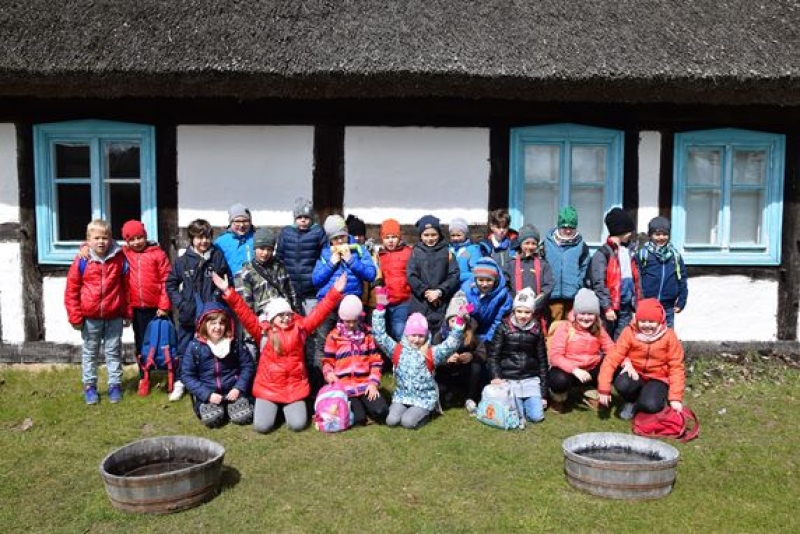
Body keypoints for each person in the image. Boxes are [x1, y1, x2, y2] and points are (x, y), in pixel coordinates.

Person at [214, 271, 347, 433]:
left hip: (294, 389)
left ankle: (283, 411)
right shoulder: (263, 332)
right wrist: (228, 291)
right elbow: (243, 312)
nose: (286, 318)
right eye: (280, 315)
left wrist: (335, 292)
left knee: (297, 425)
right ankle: (275, 410)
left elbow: (319, 312)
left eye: (288, 314)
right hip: (268, 388)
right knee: (262, 427)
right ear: (271, 318)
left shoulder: (301, 329)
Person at [77, 219, 172, 396]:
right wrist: (85, 246)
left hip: (158, 308)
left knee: (163, 342)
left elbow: (167, 279)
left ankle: (171, 376)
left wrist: (165, 304)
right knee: (142, 344)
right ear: (127, 241)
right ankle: (144, 377)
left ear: (145, 236)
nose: (136, 242)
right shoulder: (123, 254)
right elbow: (103, 243)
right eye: (132, 239)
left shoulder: (158, 254)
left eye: (139, 238)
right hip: (137, 309)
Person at [372, 288, 467, 429]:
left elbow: (451, 344)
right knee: (391, 421)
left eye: (421, 336)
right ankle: (408, 412)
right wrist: (380, 308)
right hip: (402, 396)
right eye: (413, 335)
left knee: (407, 422)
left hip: (423, 400)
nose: (416, 339)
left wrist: (458, 323)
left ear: (426, 335)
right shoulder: (397, 350)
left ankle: (428, 412)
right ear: (406, 334)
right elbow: (380, 336)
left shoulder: (431, 353)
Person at [64, 219, 130, 405]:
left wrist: (127, 312)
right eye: (96, 238)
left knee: (113, 352)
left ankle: (114, 385)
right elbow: (72, 290)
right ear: (88, 240)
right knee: (90, 353)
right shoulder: (82, 260)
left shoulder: (119, 259)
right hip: (90, 318)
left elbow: (126, 288)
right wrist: (75, 316)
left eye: (105, 237)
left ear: (111, 238)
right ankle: (90, 386)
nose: (101, 241)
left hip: (114, 315)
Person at [166, 219, 232, 401]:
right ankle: (180, 381)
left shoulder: (217, 257)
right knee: (184, 348)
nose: (203, 241)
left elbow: (228, 281)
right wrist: (181, 304)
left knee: (211, 348)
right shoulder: (182, 261)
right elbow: (171, 284)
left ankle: (207, 381)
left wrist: (217, 300)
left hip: (212, 314)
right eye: (199, 237)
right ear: (191, 239)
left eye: (206, 237)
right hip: (189, 314)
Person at [311, 215, 377, 391]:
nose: (339, 242)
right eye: (335, 239)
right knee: (323, 344)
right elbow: (316, 280)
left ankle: (355, 383)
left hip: (351, 306)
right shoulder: (325, 254)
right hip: (328, 305)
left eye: (342, 237)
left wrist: (351, 260)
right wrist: (331, 264)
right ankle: (321, 387)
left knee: (353, 344)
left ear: (347, 234)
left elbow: (371, 274)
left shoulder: (359, 250)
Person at [598, 298, 685, 421]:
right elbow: (611, 358)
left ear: (660, 321)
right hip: (635, 373)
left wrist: (675, 398)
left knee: (650, 405)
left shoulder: (669, 336)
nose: (647, 325)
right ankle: (631, 401)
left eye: (652, 321)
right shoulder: (629, 332)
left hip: (658, 378)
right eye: (643, 321)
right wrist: (604, 388)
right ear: (637, 320)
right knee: (622, 383)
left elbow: (676, 367)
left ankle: (652, 400)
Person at [181, 302, 255, 428]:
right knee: (213, 419)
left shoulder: (234, 343)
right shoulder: (195, 347)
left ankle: (232, 406)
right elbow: (187, 375)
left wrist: (238, 388)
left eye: (221, 323)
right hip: (210, 394)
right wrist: (207, 395)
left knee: (244, 417)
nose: (218, 327)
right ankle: (219, 408)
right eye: (213, 323)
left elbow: (247, 366)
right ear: (204, 324)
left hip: (233, 392)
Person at [322, 295, 388, 425]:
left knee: (382, 412)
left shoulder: (367, 335)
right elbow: (327, 361)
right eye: (348, 321)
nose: (351, 325)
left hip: (365, 384)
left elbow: (376, 361)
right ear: (341, 318)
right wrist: (329, 373)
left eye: (354, 321)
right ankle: (360, 411)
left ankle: (367, 408)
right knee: (358, 418)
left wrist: (373, 383)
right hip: (344, 387)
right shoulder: (333, 337)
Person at [547, 288, 615, 414]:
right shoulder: (565, 327)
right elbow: (555, 356)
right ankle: (558, 398)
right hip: (570, 371)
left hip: (590, 369)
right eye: (582, 313)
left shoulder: (599, 328)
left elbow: (611, 349)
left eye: (590, 314)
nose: (586, 318)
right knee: (558, 380)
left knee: (614, 363)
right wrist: (575, 370)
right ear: (576, 313)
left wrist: (626, 362)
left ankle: (588, 389)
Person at [486, 288, 548, 425]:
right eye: (519, 311)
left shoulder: (537, 329)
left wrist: (543, 394)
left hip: (530, 379)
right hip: (509, 379)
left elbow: (542, 360)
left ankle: (529, 401)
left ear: (533, 312)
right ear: (514, 311)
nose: (523, 315)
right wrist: (496, 376)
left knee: (537, 417)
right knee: (517, 416)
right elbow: (493, 356)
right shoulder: (503, 327)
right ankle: (519, 405)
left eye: (527, 312)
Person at [587, 207, 641, 340]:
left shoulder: (629, 252)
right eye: (628, 230)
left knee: (622, 339)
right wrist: (607, 307)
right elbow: (599, 283)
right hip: (611, 306)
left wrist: (637, 303)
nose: (631, 233)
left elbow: (636, 279)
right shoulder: (603, 254)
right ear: (620, 230)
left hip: (626, 306)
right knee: (606, 339)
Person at [406, 214, 461, 334]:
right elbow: (411, 275)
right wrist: (425, 291)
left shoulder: (447, 252)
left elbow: (454, 275)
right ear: (420, 236)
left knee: (440, 336)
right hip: (421, 304)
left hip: (442, 303)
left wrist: (440, 291)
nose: (430, 238)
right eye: (426, 235)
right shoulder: (416, 252)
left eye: (433, 234)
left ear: (439, 234)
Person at [433, 291, 487, 413]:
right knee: (442, 393)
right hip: (446, 373)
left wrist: (471, 356)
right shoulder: (440, 336)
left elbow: (483, 353)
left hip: (465, 373)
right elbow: (432, 358)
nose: (456, 324)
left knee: (476, 367)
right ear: (447, 321)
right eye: (453, 321)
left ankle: (470, 397)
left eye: (461, 321)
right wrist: (446, 359)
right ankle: (449, 393)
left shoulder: (471, 334)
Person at [276, 197, 327, 316]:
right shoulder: (286, 233)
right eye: (299, 217)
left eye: (306, 217)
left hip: (311, 289)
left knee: (312, 320)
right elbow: (279, 257)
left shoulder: (318, 232)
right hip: (290, 287)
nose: (303, 220)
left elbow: (325, 256)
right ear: (295, 218)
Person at [636, 216, 688, 328]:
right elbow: (636, 278)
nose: (661, 237)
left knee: (667, 335)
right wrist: (637, 300)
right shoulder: (643, 255)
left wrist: (681, 301)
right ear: (650, 235)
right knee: (647, 334)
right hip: (647, 304)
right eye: (657, 234)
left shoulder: (675, 256)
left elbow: (682, 279)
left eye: (665, 234)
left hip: (668, 306)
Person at [238, 227, 300, 318]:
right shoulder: (247, 272)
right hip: (263, 319)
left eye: (269, 249)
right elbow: (246, 304)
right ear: (255, 248)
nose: (265, 253)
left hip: (285, 316)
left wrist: (296, 313)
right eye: (262, 248)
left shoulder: (280, 266)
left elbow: (290, 292)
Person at [543, 206, 591, 322]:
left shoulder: (582, 246)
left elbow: (584, 268)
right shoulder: (546, 245)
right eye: (565, 227)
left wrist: (578, 285)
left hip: (573, 297)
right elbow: (541, 266)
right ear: (559, 226)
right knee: (554, 329)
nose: (568, 231)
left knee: (571, 328)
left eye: (572, 228)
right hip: (552, 296)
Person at [502, 224, 553, 321]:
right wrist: (516, 303)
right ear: (520, 244)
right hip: (516, 311)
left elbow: (548, 287)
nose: (530, 246)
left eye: (533, 243)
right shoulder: (511, 264)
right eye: (527, 243)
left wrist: (533, 304)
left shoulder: (543, 264)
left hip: (537, 311)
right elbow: (505, 286)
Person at [374, 218, 413, 341]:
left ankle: (403, 352)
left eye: (394, 237)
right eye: (387, 237)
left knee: (399, 331)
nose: (390, 240)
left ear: (399, 237)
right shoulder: (379, 255)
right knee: (385, 332)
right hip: (384, 301)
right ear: (382, 239)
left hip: (402, 300)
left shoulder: (408, 252)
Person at [462, 257, 513, 343]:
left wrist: (486, 340)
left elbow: (498, 321)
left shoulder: (503, 296)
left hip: (491, 335)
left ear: (495, 280)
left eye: (489, 280)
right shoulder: (467, 290)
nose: (485, 284)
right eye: (481, 280)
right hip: (470, 332)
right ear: (475, 279)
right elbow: (461, 310)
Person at [214, 203, 256, 284]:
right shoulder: (221, 242)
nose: (242, 225)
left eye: (245, 221)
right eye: (237, 221)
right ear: (231, 222)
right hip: (231, 287)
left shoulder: (257, 238)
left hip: (256, 285)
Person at [448, 217, 481, 284]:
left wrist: (457, 277)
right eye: (453, 235)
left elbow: (476, 272)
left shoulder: (472, 250)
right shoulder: (448, 249)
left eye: (458, 235)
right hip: (449, 285)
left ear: (466, 234)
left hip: (466, 284)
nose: (455, 238)